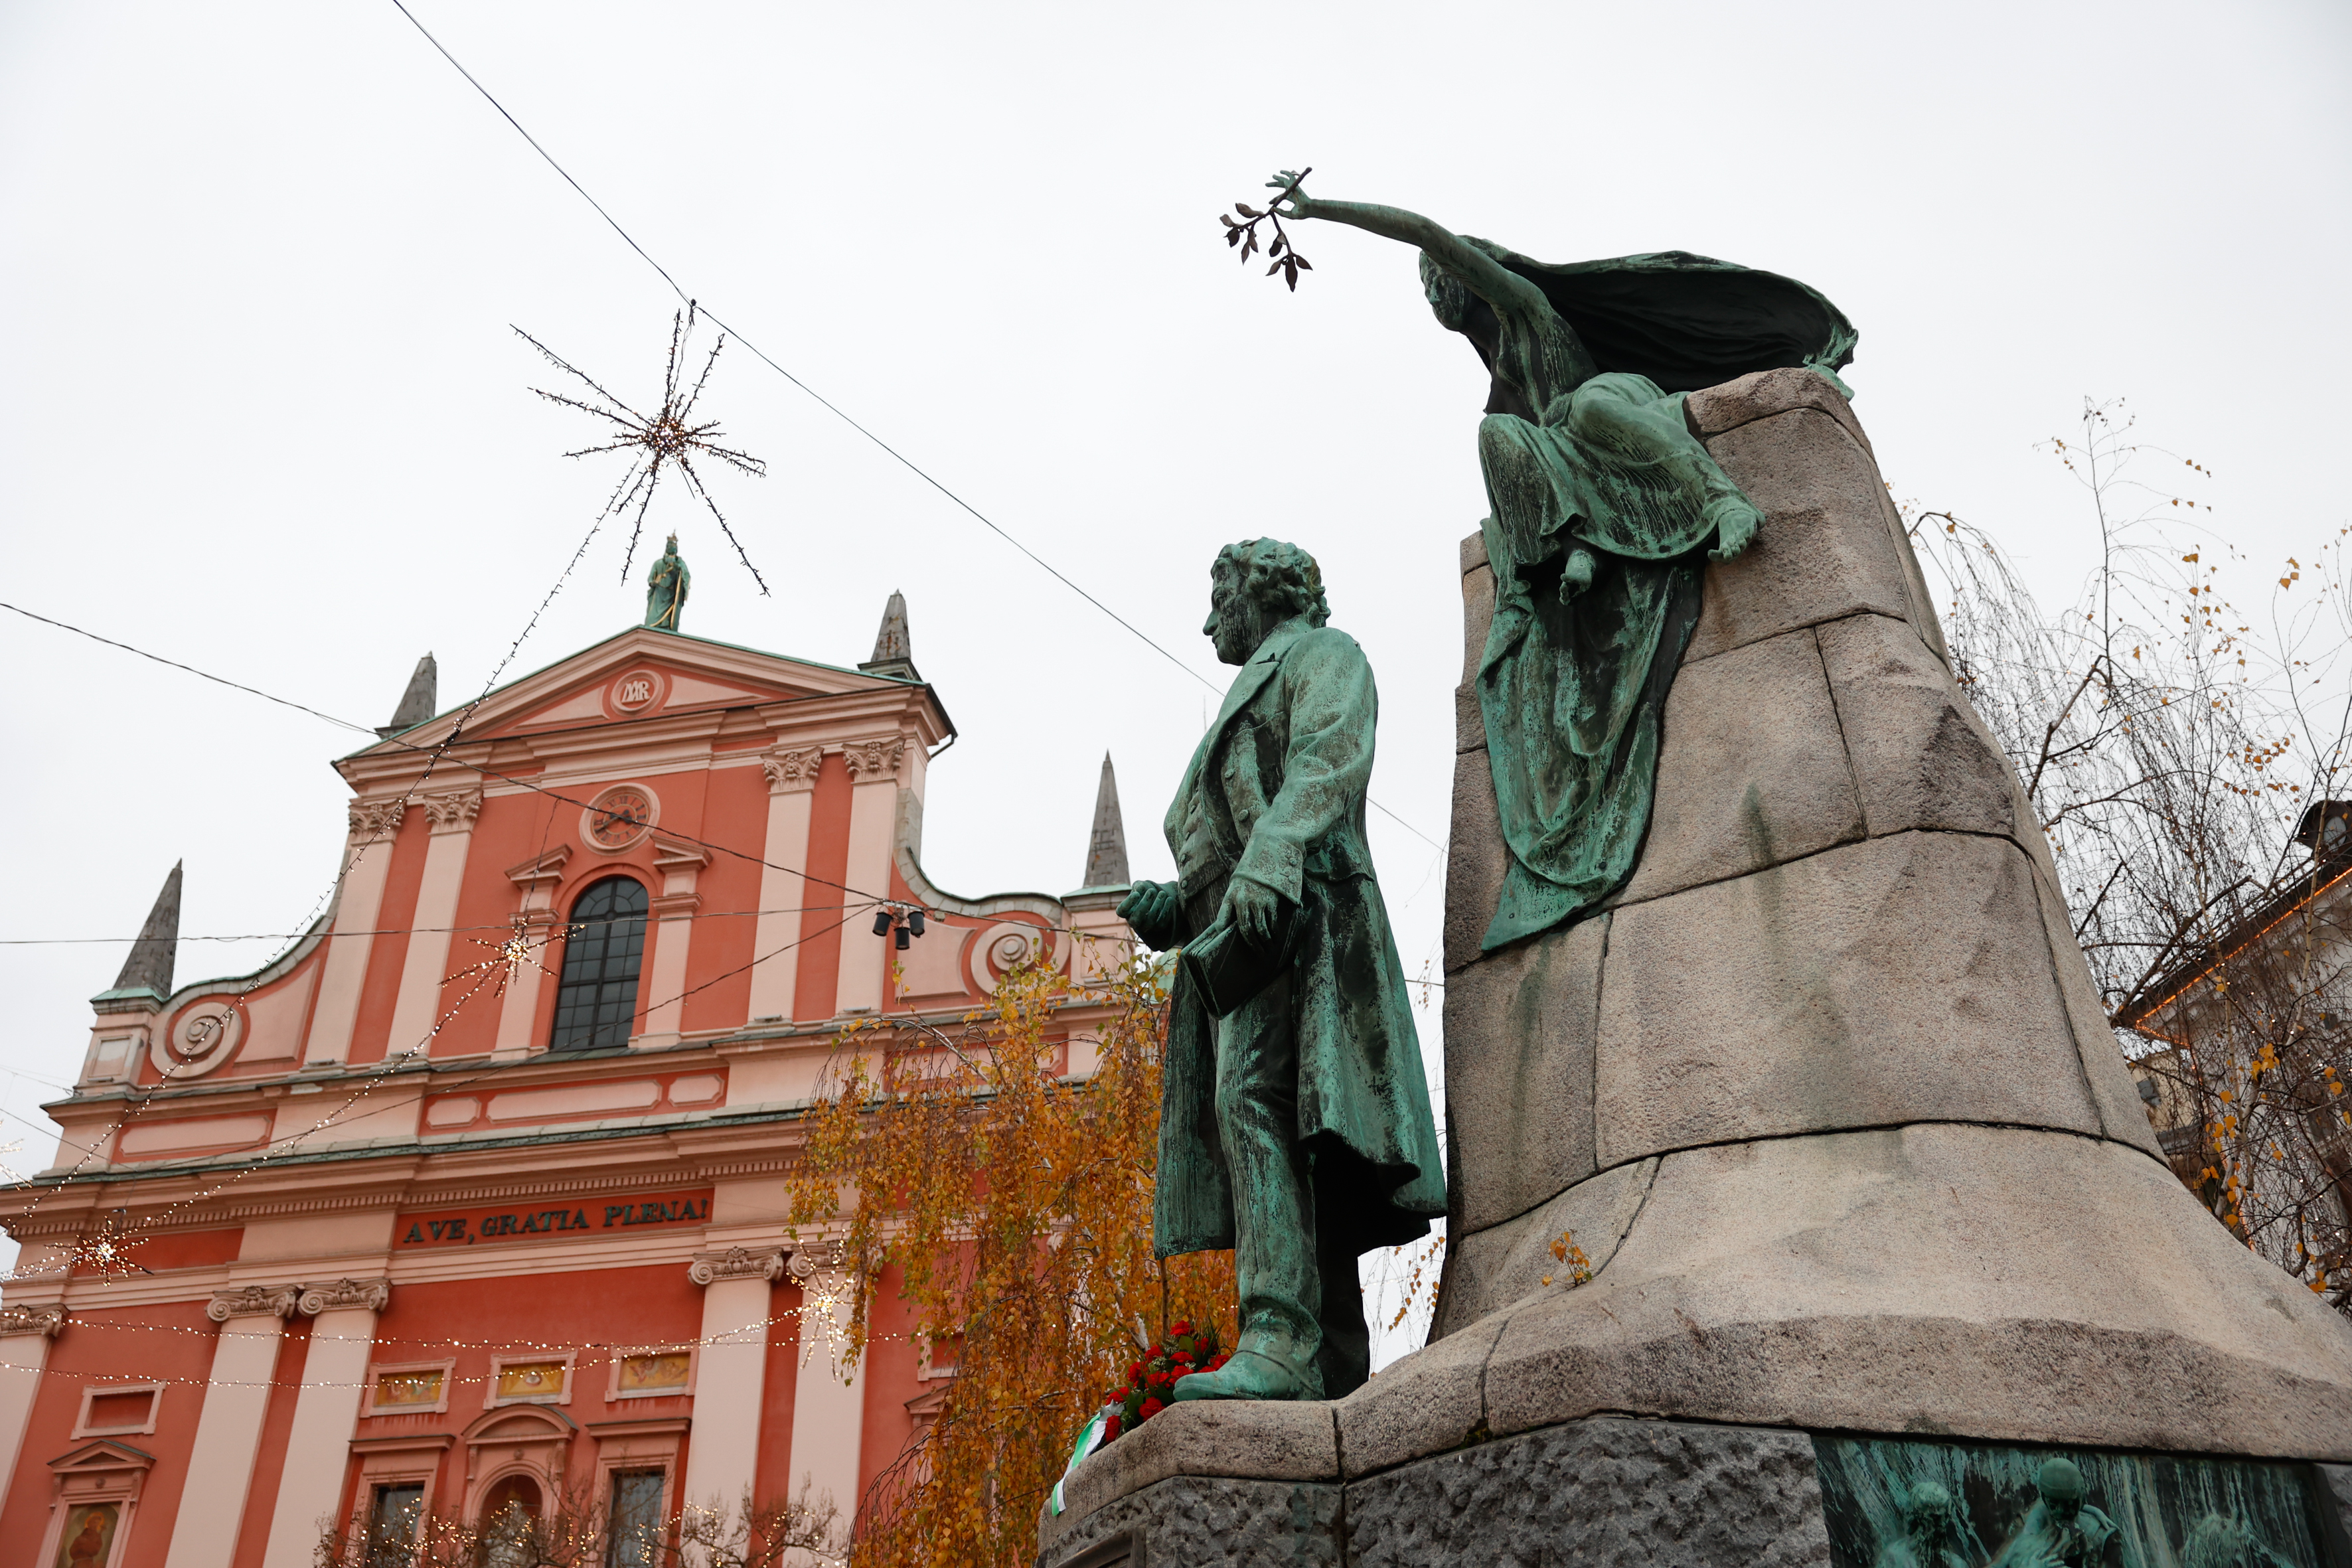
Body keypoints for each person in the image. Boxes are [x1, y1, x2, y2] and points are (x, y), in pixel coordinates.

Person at [1259, 172, 1857, 949]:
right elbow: (1510, 462)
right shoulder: (1501, 386)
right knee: (1495, 439)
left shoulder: (1522, 305)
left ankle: (1720, 502)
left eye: (1438, 281)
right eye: (1429, 288)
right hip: (1569, 476)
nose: (1435, 294)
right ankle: (1570, 550)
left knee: (1583, 407)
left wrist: (1320, 211)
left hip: (1617, 409)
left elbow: (1425, 230)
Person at [1119, 538, 1445, 1401]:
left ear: (1260, 591)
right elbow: (1230, 824)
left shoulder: (1322, 654)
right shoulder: (1260, 672)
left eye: (1216, 597)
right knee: (1302, 1137)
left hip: (1296, 911)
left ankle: (1276, 1333)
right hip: (1245, 925)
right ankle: (1330, 1366)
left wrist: (1269, 854)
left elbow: (1327, 758)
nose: (1205, 619)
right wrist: (1177, 901)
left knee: (1255, 1103)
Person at [643, 534, 690, 631]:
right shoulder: (658, 563)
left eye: (673, 547)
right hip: (659, 595)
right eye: (669, 547)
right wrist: (654, 582)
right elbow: (651, 578)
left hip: (671, 595)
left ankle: (666, 627)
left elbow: (686, 575)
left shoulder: (680, 563)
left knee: (668, 621)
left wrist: (678, 567)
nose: (671, 549)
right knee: (650, 621)